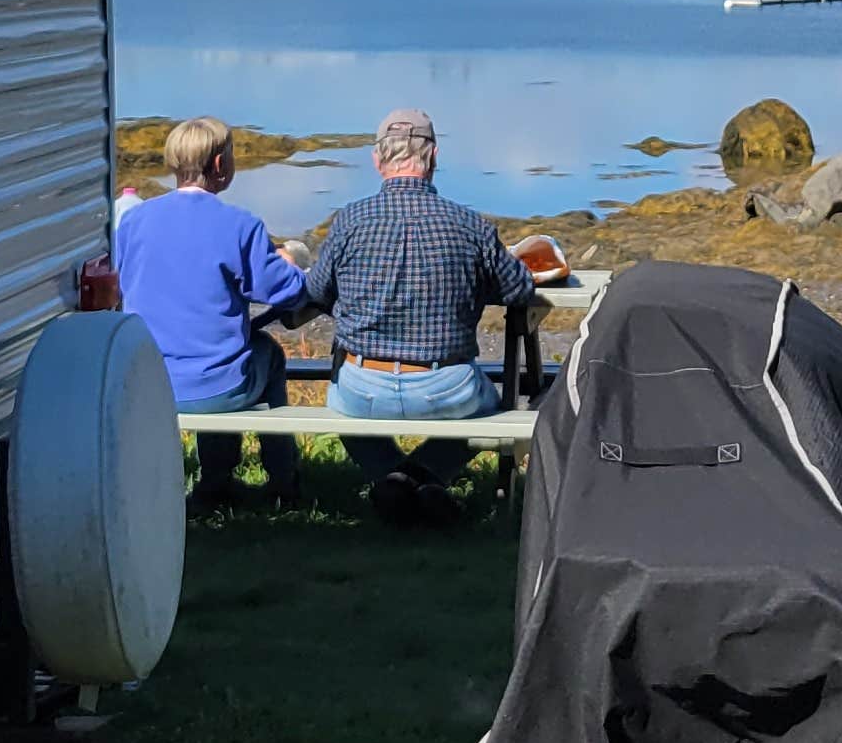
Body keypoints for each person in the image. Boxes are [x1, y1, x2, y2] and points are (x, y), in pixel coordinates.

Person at [298, 105, 535, 524]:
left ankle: (394, 479)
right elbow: (520, 289)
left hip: (362, 386)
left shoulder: (349, 220)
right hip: (447, 386)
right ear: (435, 156)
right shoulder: (469, 225)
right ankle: (422, 478)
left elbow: (315, 292)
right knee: (493, 403)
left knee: (339, 402)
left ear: (377, 159)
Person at [112, 116, 311, 508]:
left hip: (151, 381)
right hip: (215, 385)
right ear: (220, 164)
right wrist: (289, 261)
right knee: (265, 354)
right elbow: (286, 292)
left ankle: (215, 482)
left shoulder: (133, 221)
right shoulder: (239, 226)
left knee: (215, 355)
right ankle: (282, 479)